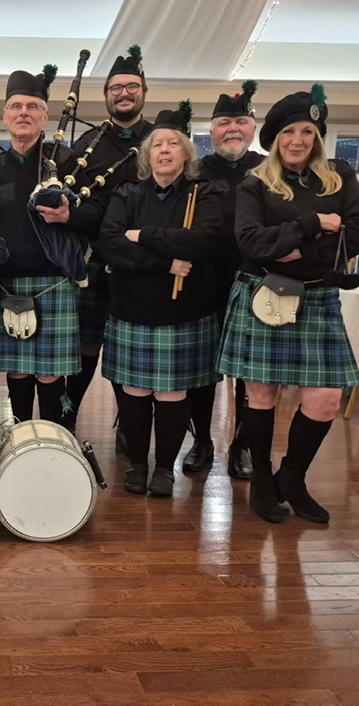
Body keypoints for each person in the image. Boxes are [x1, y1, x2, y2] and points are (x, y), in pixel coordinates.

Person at [217, 84, 359, 523]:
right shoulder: (255, 183)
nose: (297, 140)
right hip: (264, 293)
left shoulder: (340, 177)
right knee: (260, 394)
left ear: (318, 137)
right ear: (275, 138)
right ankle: (262, 481)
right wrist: (311, 224)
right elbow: (250, 242)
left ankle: (292, 478)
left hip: (318, 297)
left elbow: (357, 233)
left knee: (325, 399)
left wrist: (293, 249)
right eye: (288, 132)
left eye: (306, 131)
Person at [98, 103, 221, 498]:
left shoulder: (205, 193)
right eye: (157, 144)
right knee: (134, 393)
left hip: (183, 313)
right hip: (132, 309)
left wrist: (143, 236)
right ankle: (138, 463)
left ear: (186, 153)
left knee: (172, 394)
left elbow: (203, 242)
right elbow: (110, 244)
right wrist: (165, 263)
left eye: (173, 143)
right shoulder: (127, 193)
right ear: (147, 155)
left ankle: (165, 468)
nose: (165, 150)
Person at [0, 67, 104, 424]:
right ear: (5, 116)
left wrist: (68, 216)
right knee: (16, 371)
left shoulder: (67, 162)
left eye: (32, 107)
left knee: (49, 374)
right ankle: (20, 437)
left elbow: (96, 215)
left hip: (54, 283)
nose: (24, 113)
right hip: (6, 285)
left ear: (45, 117)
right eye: (16, 107)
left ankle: (54, 437)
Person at [65, 44, 154, 436]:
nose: (124, 93)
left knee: (129, 351)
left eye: (131, 86)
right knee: (86, 347)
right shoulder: (88, 143)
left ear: (144, 92)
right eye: (116, 88)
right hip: (95, 262)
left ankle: (128, 427)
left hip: (146, 264)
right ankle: (68, 416)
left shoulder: (160, 141)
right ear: (106, 95)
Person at [182, 81, 264, 479]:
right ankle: (202, 441)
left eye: (240, 122)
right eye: (223, 123)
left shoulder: (269, 170)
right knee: (202, 371)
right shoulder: (194, 172)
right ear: (211, 131)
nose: (232, 129)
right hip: (203, 283)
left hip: (255, 284)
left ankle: (242, 446)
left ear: (252, 128)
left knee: (250, 374)